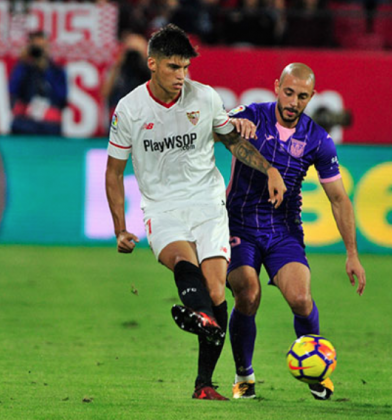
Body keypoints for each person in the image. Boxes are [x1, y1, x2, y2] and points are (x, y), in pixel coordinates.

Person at [104, 24, 286, 401]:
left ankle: (203, 382)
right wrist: (120, 228)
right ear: (152, 64)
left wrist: (268, 168)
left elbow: (231, 140)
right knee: (181, 260)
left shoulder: (204, 98)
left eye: (186, 67)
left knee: (217, 291)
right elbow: (113, 172)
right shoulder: (130, 110)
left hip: (206, 200)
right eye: (173, 67)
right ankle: (200, 323)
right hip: (162, 204)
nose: (182, 76)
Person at [226, 63, 367, 401]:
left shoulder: (317, 139)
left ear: (311, 97)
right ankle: (244, 375)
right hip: (239, 223)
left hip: (282, 229)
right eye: (288, 92)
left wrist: (352, 254)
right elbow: (219, 131)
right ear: (277, 87)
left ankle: (316, 370)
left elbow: (339, 199)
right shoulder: (250, 116)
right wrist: (232, 126)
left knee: (302, 300)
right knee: (248, 293)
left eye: (302, 96)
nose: (293, 101)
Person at [9, 30, 68, 136]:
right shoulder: (23, 68)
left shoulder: (57, 71)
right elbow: (13, 91)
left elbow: (62, 99)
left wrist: (45, 70)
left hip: (49, 125)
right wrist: (23, 62)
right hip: (24, 123)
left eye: (43, 47)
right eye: (37, 47)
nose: (39, 51)